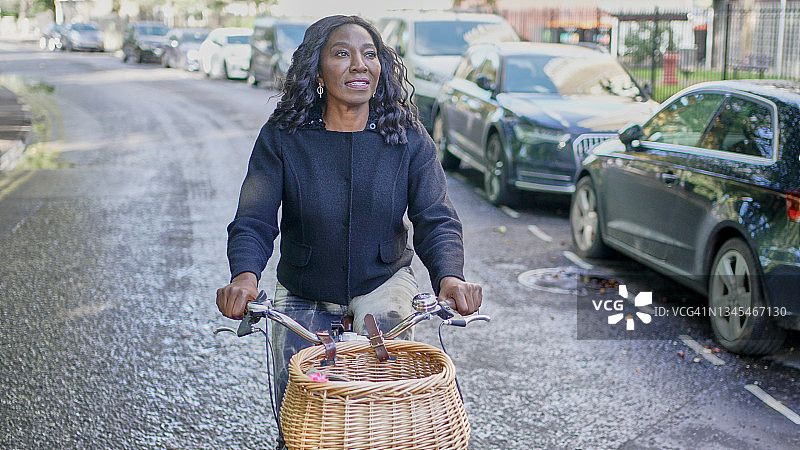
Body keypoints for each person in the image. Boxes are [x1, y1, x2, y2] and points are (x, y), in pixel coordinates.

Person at [216, 14, 482, 447]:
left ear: (382, 67)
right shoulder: (283, 136)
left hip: (382, 281)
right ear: (317, 70)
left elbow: (435, 216)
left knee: (387, 415)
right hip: (304, 286)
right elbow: (255, 218)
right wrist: (244, 277)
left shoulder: (407, 136)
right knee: (303, 417)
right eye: (342, 53)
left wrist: (450, 276)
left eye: (370, 54)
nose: (360, 65)